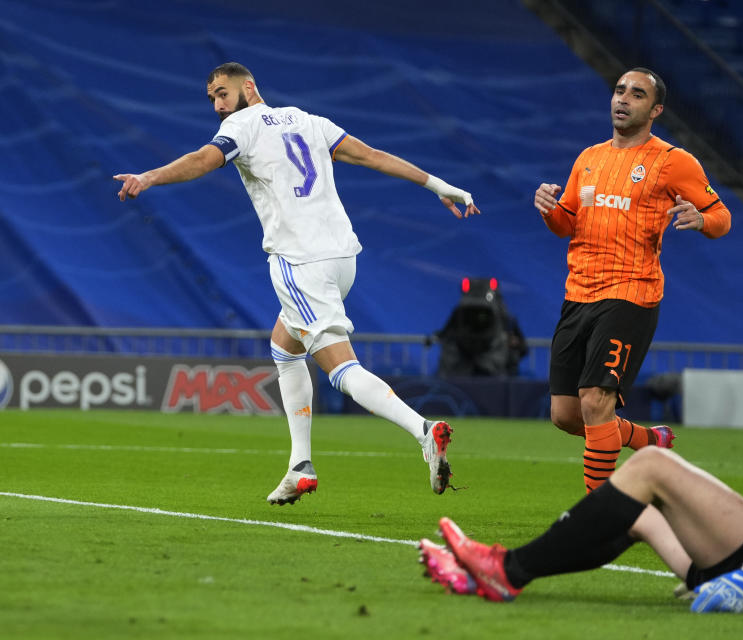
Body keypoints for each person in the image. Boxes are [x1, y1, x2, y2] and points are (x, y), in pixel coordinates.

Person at [114, 62, 481, 503]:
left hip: (300, 261)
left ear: (248, 87)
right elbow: (371, 155)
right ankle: (299, 465)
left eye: (222, 93)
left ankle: (423, 430)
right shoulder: (309, 121)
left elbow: (203, 160)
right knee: (284, 347)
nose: (217, 104)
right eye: (211, 97)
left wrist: (148, 177)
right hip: (343, 257)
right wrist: (439, 185)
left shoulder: (242, 125)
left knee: (341, 369)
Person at [420, 281, 743, 613]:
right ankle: (484, 578)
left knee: (653, 464)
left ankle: (505, 569)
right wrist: (719, 564)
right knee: (638, 513)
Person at [533, 67, 732, 492]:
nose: (623, 99)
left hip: (631, 293)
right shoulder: (589, 158)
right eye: (619, 90)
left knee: (595, 400)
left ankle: (599, 513)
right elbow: (566, 223)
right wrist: (550, 208)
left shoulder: (673, 161)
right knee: (566, 415)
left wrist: (701, 219)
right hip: (578, 293)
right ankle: (646, 439)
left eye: (637, 94)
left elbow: (722, 217)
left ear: (655, 109)